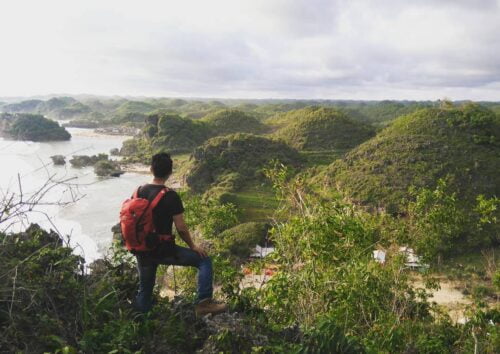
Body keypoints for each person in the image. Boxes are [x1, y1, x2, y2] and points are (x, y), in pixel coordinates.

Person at [133, 152, 227, 316]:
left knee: (144, 290)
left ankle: (139, 326)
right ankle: (204, 303)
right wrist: (193, 246)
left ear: (151, 169)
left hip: (142, 249)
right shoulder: (170, 196)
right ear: (170, 172)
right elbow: (181, 228)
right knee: (204, 261)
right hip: (163, 250)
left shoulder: (138, 191)